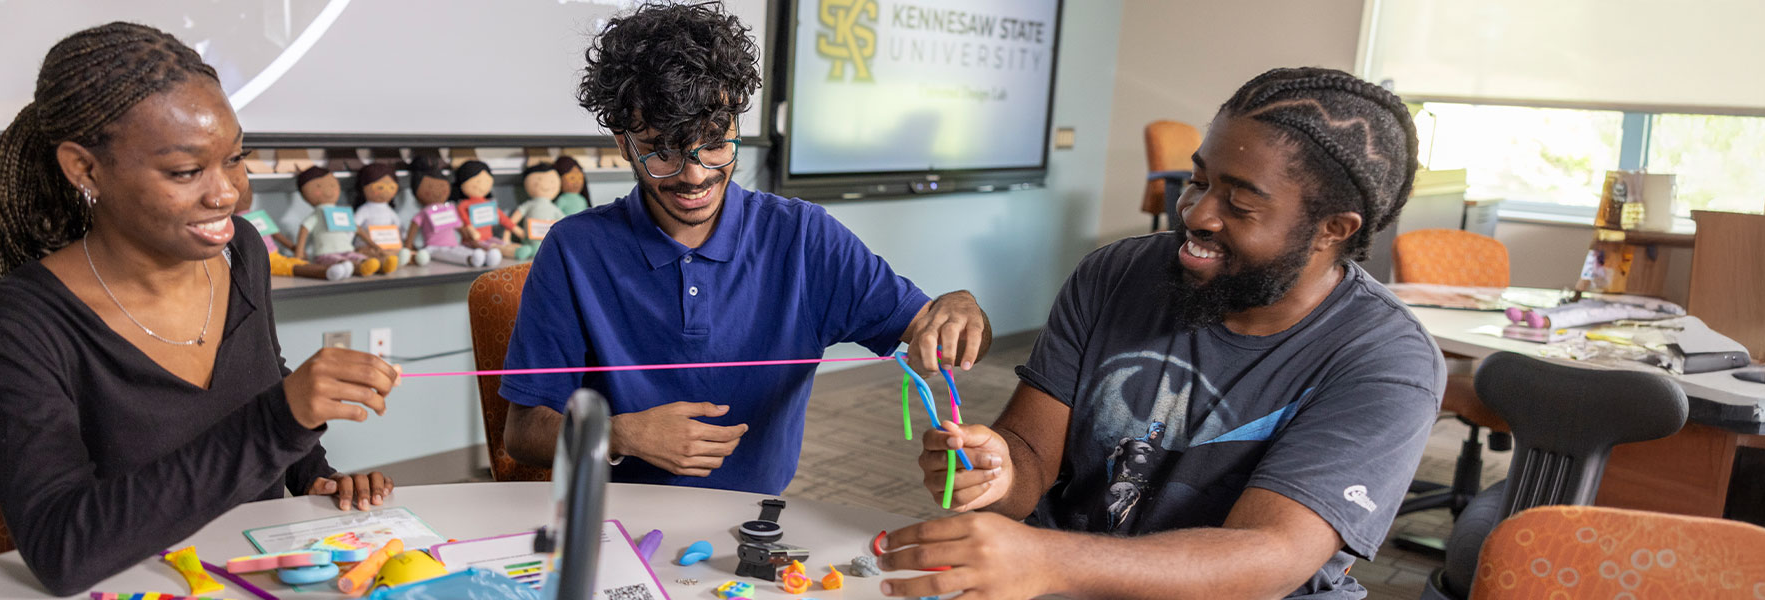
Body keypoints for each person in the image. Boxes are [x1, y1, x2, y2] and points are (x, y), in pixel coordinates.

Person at [876, 68, 1444, 599]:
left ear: (1332, 230)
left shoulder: (1386, 361)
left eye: (1240, 204)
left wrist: (1049, 559)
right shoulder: (1116, 274)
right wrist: (995, 473)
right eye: (1196, 180)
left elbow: (1270, 554)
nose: (1196, 213)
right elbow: (1029, 454)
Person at [0, 22, 400, 595]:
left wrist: (315, 473)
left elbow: (258, 384)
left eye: (236, 158)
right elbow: (62, 549)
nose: (229, 195)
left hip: (251, 575)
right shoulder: (23, 322)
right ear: (85, 169)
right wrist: (279, 421)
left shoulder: (241, 250)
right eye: (187, 172)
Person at [498, 2, 991, 495]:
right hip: (611, 516)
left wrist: (961, 311)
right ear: (624, 143)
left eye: (714, 142)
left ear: (737, 123)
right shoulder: (575, 249)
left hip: (756, 521)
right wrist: (622, 433)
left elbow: (939, 333)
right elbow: (521, 433)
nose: (694, 176)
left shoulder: (803, 237)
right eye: (662, 150)